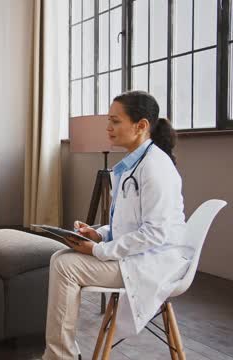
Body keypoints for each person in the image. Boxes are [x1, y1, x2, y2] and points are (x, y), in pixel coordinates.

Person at [42, 91, 191, 359]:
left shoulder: (155, 168)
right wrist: (98, 235)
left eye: (115, 121)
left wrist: (97, 251)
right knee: (61, 257)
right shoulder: (134, 165)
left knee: (65, 265)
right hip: (138, 255)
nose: (108, 128)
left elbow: (155, 233)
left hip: (152, 262)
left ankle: (59, 356)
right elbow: (129, 224)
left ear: (141, 125)